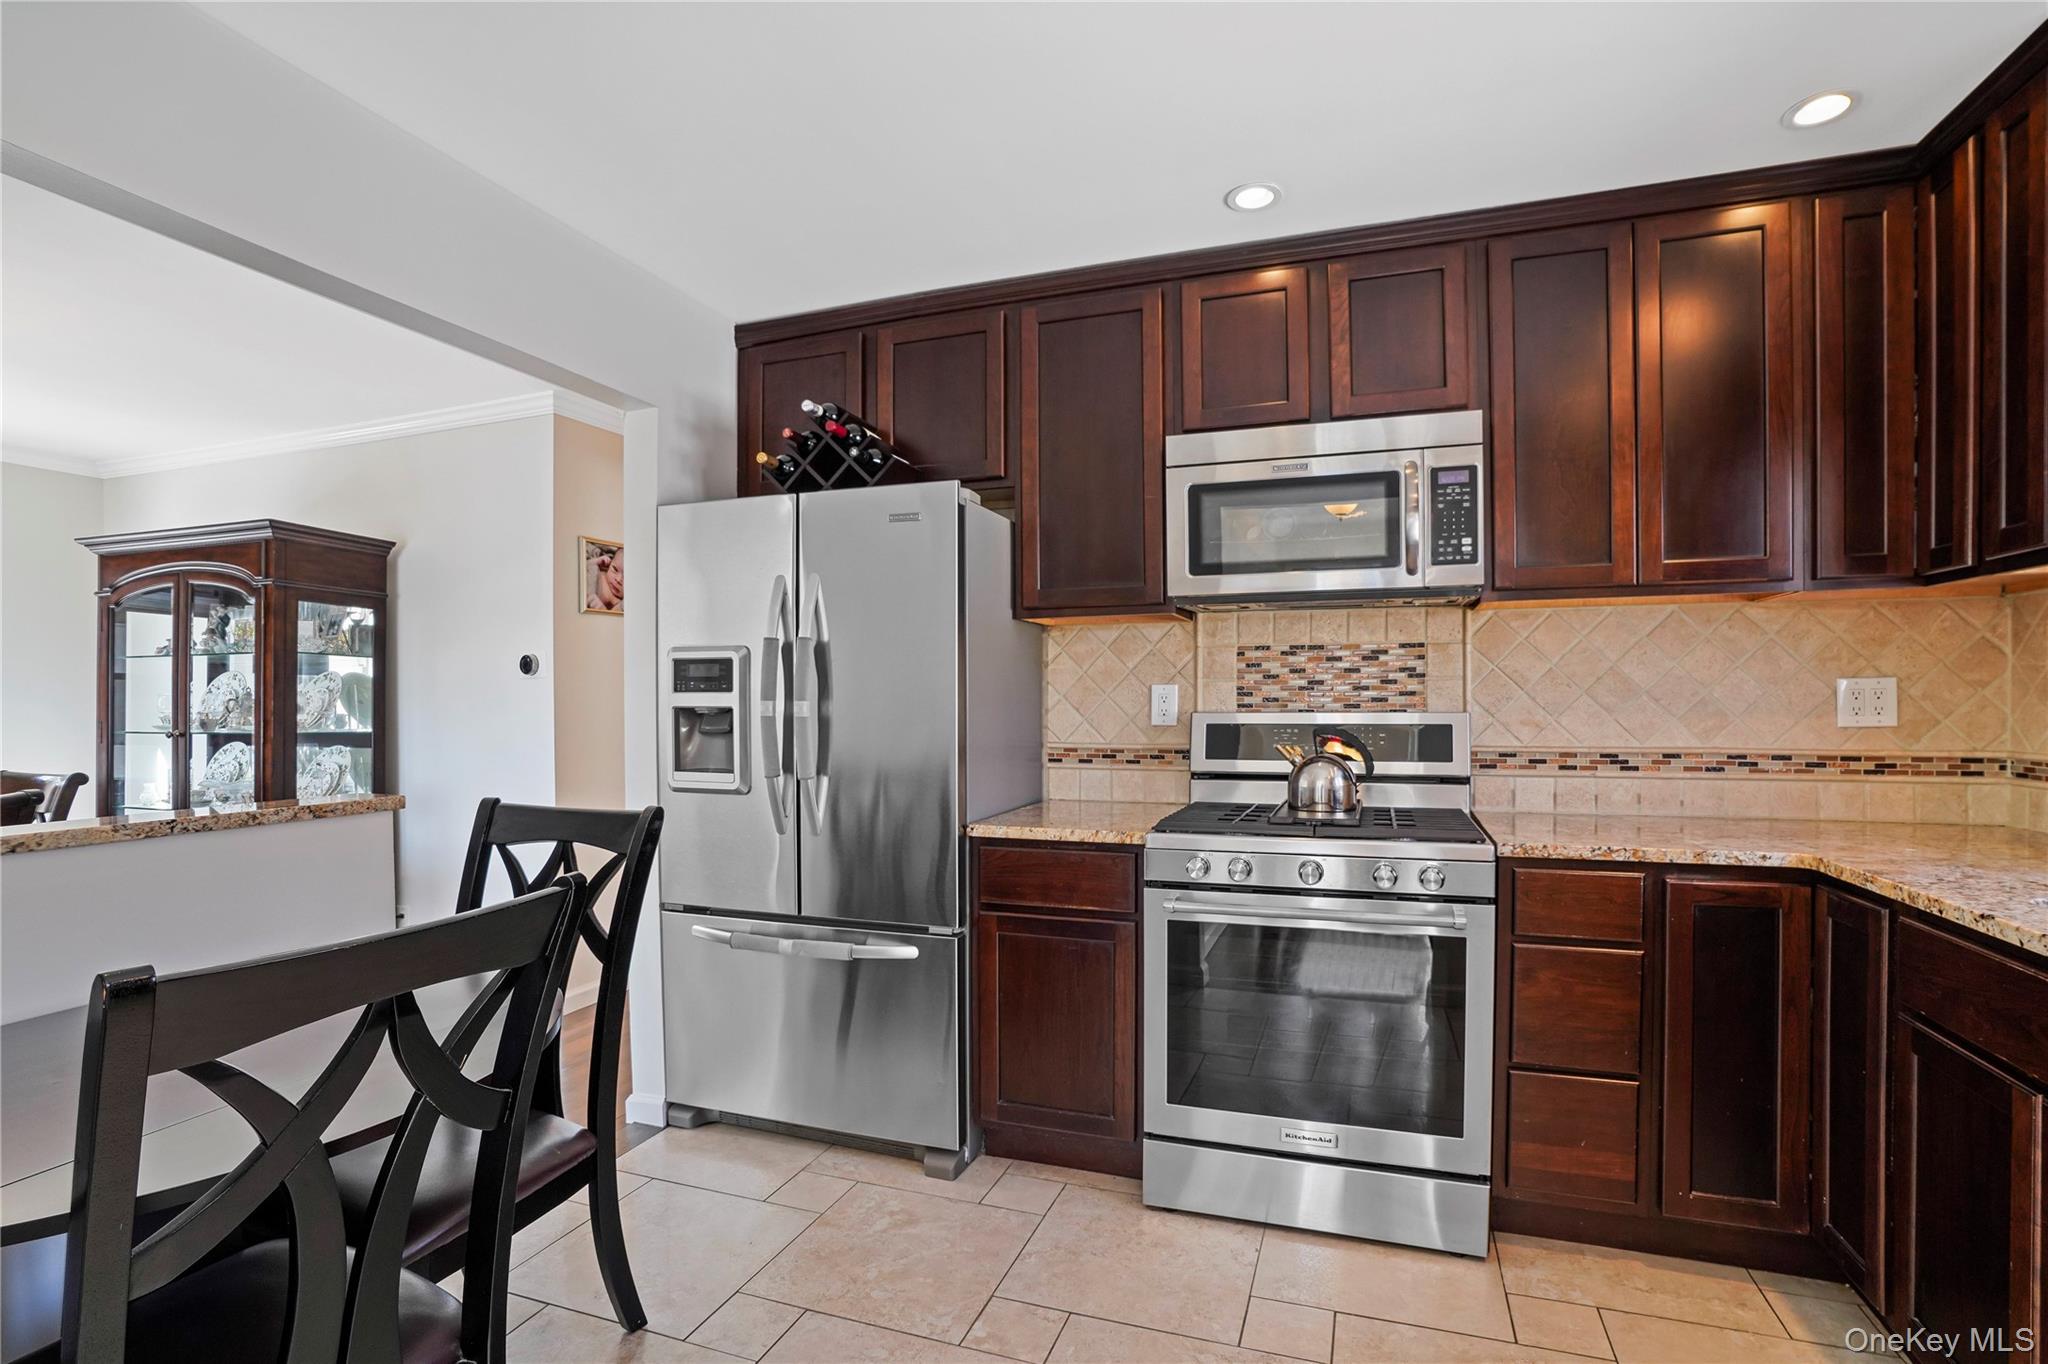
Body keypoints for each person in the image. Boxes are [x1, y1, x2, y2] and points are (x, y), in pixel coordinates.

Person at [587, 545, 624, 612]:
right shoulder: (601, 570)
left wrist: (601, 608)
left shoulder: (619, 602)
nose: (618, 580)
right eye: (615, 569)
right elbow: (582, 568)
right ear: (610, 564)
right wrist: (596, 561)